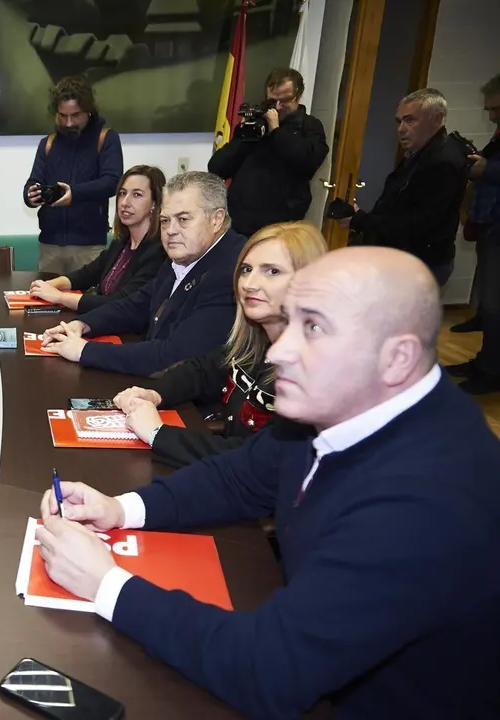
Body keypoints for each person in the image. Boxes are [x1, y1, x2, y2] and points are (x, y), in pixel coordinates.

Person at [35, 246, 500, 718]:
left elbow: (268, 669)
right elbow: (240, 477)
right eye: (290, 322)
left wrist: (105, 584)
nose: (277, 351)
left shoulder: (426, 501)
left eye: (313, 328)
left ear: (397, 358)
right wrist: (119, 508)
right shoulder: (339, 405)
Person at [114, 221, 327, 468]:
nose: (249, 284)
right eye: (246, 269)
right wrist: (154, 393)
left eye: (272, 271)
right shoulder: (254, 343)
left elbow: (260, 461)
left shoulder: (314, 371)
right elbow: (202, 371)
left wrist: (157, 433)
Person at [40, 171, 247, 377]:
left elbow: (172, 355)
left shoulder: (232, 272)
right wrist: (82, 324)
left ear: (217, 219)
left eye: (183, 219)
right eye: (165, 220)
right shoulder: (185, 253)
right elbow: (137, 304)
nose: (170, 230)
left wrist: (84, 350)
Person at [341, 88, 470, 286]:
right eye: (399, 121)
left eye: (410, 120)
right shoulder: (421, 153)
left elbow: (420, 223)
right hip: (408, 257)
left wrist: (362, 221)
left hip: (421, 262)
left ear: (436, 120)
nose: (401, 129)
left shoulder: (442, 161)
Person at [28, 165, 168, 312]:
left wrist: (60, 297)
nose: (125, 202)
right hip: (101, 320)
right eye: (122, 193)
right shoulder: (122, 241)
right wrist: (51, 284)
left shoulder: (158, 251)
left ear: (154, 203)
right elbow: (88, 274)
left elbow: (121, 303)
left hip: (127, 325)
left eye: (137, 195)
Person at [208, 68, 329, 237]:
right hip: (239, 223)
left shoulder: (309, 126)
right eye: (272, 101)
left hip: (281, 227)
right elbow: (217, 167)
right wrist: (244, 135)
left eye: (285, 100)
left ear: (298, 95)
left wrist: (276, 131)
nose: (278, 107)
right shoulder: (256, 125)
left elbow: (308, 162)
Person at [22, 75, 124, 274]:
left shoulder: (106, 138)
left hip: (89, 246)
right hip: (49, 244)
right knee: (45, 295)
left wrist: (74, 193)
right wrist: (30, 195)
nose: (68, 123)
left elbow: (113, 182)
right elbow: (34, 181)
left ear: (88, 111)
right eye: (63, 116)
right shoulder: (48, 143)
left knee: (88, 295)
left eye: (75, 115)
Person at [447, 73, 500, 395]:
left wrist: (487, 169)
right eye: (489, 109)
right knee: (489, 302)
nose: (492, 116)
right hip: (490, 223)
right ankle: (484, 362)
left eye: (496, 109)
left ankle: (492, 372)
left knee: (495, 306)